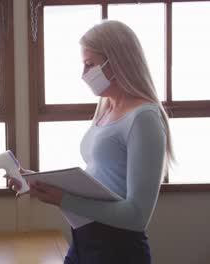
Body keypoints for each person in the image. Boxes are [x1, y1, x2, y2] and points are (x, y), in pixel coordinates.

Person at [9, 20, 174, 264]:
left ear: (117, 61)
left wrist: (63, 199)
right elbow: (101, 177)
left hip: (118, 250)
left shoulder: (144, 118)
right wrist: (40, 182)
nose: (84, 74)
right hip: (84, 241)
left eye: (90, 65)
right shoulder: (106, 108)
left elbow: (137, 216)